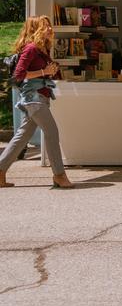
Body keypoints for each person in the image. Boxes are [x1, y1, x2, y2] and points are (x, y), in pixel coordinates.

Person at [0, 16, 71, 189]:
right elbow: (19, 75)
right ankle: (59, 175)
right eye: (45, 26)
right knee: (52, 132)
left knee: (22, 136)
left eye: (49, 25)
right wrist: (43, 71)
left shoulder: (42, 49)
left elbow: (42, 73)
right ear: (36, 29)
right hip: (34, 98)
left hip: (40, 97)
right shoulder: (31, 48)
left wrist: (51, 70)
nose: (49, 29)